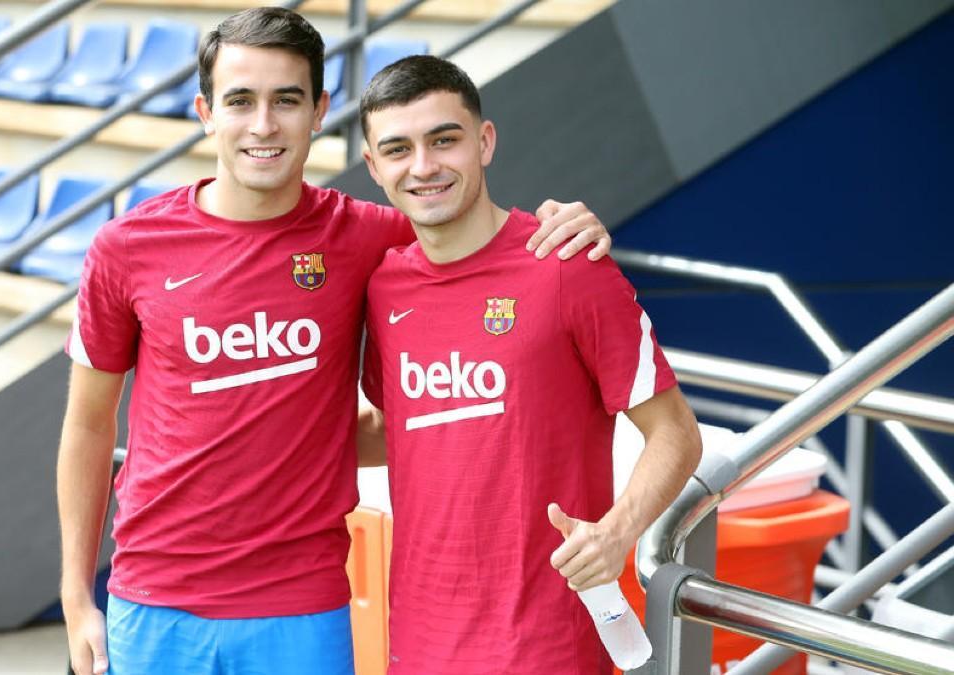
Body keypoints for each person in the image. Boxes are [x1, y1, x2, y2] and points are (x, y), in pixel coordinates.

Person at [57, 8, 614, 675]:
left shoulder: (368, 238)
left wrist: (559, 225)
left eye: (286, 100)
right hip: (155, 603)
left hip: (304, 607)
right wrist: (74, 591)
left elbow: (471, 228)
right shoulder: (127, 249)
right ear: (206, 110)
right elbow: (89, 428)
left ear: (320, 110)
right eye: (241, 101)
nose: (264, 125)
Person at [356, 55, 704, 674]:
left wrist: (617, 532)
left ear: (484, 142)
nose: (425, 166)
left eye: (445, 140)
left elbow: (675, 432)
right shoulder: (383, 287)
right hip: (418, 641)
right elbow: (403, 430)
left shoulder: (568, 264)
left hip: (548, 648)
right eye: (399, 148)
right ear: (374, 166)